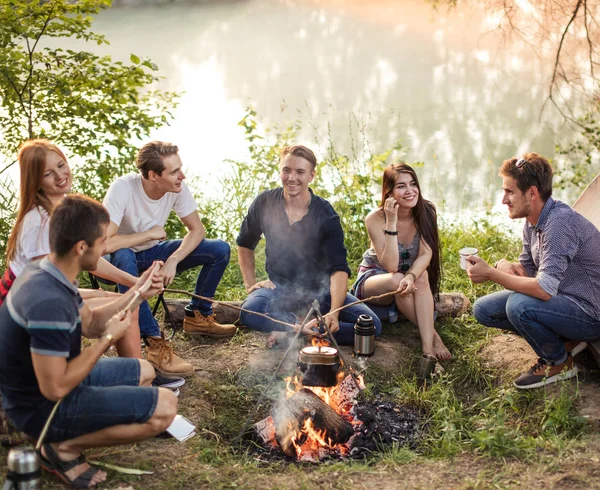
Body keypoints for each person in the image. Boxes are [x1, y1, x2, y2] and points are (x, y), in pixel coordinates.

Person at [0, 195, 177, 488]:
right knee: (166, 408)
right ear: (82, 247)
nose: (106, 248)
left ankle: (69, 435)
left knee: (145, 370)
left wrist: (139, 293)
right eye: (101, 242)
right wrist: (108, 339)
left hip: (49, 380)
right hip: (40, 409)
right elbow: (55, 388)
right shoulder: (48, 303)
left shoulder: (49, 270)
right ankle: (60, 446)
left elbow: (91, 323)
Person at [0, 139, 185, 390]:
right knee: (126, 307)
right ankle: (137, 377)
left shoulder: (61, 208)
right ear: (35, 180)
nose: (60, 176)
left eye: (62, 166)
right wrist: (135, 287)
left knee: (121, 299)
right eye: (48, 173)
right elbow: (46, 286)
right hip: (26, 306)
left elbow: (88, 261)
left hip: (48, 293)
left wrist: (135, 283)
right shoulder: (39, 221)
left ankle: (137, 371)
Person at [468, 152, 600, 389]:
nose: (503, 200)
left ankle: (559, 362)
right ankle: (564, 338)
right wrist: (504, 266)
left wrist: (491, 274)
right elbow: (529, 273)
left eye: (509, 192)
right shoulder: (533, 221)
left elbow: (542, 289)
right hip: (564, 299)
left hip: (591, 313)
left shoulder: (559, 223)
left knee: (519, 306)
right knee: (483, 310)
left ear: (532, 193)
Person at [102, 141, 236, 372]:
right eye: (174, 171)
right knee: (124, 255)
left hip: (153, 254)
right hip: (116, 262)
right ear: (153, 175)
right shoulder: (123, 188)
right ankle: (155, 342)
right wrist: (147, 235)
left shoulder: (176, 187)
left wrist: (173, 260)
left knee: (219, 249)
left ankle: (198, 315)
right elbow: (103, 244)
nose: (182, 176)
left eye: (180, 168)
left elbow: (197, 230)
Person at [237, 145, 381, 346]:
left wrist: (334, 313)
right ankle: (300, 328)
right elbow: (245, 243)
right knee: (249, 311)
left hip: (321, 291)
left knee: (371, 326)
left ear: (312, 175)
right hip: (278, 287)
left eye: (300, 172)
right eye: (286, 170)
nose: (291, 177)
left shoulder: (326, 214)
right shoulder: (265, 202)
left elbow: (339, 269)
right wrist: (250, 284)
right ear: (280, 170)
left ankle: (293, 331)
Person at [351, 163, 450, 360]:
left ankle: (427, 351)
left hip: (406, 276)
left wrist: (412, 276)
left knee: (418, 278)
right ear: (389, 192)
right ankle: (435, 336)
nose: (409, 191)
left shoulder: (427, 211)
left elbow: (425, 254)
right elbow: (391, 266)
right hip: (376, 279)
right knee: (397, 279)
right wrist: (392, 221)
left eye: (413, 184)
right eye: (401, 186)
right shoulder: (375, 219)